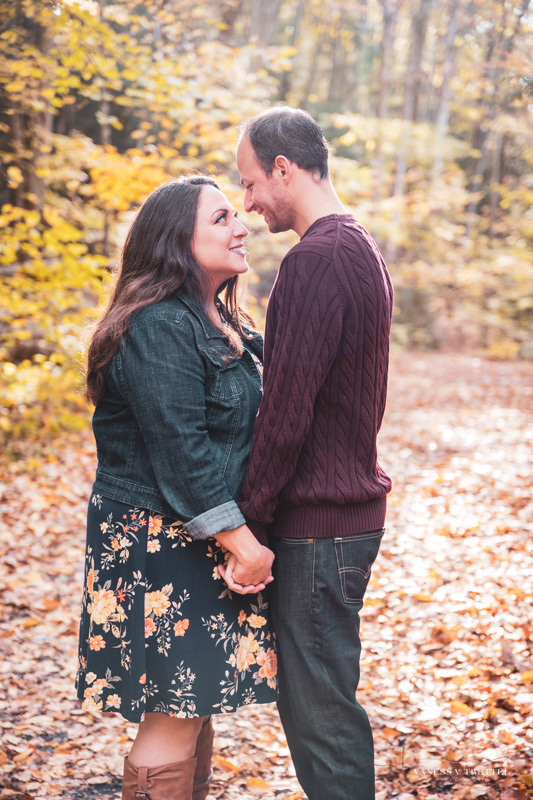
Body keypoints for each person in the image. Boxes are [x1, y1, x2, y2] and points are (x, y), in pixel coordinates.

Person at [76, 175, 278, 800]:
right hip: (156, 541)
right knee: (175, 709)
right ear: (174, 239)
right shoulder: (159, 325)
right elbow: (182, 451)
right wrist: (241, 543)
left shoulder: (223, 322)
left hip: (195, 535)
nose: (240, 224)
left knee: (194, 698)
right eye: (220, 218)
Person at [227, 107, 394, 799]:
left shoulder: (314, 261)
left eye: (249, 182)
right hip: (345, 520)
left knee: (321, 718)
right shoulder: (357, 245)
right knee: (325, 705)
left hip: (320, 528)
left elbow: (285, 415)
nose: (247, 202)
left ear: (284, 168)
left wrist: (250, 529)